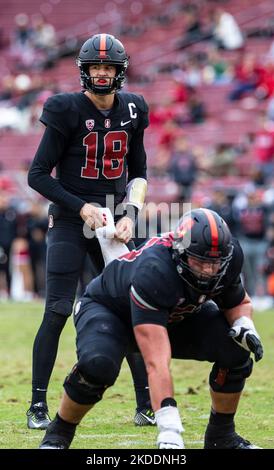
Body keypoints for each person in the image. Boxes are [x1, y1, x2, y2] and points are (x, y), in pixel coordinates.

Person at [39, 208, 264, 449]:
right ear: (181, 252)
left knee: (235, 347)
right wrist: (169, 427)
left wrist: (244, 325)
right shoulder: (155, 270)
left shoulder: (228, 259)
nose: (209, 270)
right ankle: (58, 435)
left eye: (215, 263)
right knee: (98, 365)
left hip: (173, 315)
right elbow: (156, 362)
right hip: (112, 311)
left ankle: (222, 438)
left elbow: (238, 302)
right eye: (200, 261)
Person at [26, 33, 154, 429]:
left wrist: (130, 213)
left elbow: (139, 173)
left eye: (108, 67)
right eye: (96, 66)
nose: (102, 73)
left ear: (119, 72)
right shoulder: (64, 108)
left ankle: (146, 404)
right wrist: (80, 207)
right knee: (58, 309)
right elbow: (36, 175)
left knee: (133, 307)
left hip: (114, 224)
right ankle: (37, 406)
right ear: (84, 71)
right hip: (70, 219)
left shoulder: (134, 108)